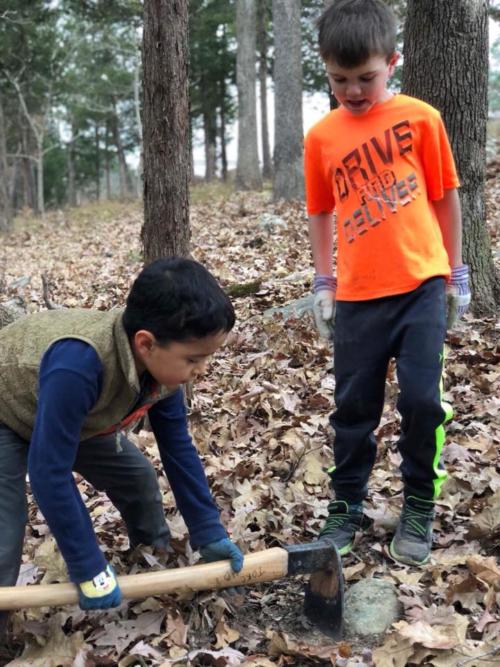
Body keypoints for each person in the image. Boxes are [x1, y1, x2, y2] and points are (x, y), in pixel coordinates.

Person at [304, 0, 471, 566]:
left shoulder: (422, 119)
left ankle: (419, 504)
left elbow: (446, 196)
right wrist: (323, 282)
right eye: (339, 79)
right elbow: (320, 212)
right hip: (356, 297)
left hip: (421, 285)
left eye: (365, 78)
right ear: (325, 70)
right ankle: (346, 506)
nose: (352, 90)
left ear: (392, 62)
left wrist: (457, 272)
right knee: (353, 408)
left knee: (423, 401)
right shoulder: (322, 137)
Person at [0, 257, 244, 632]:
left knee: (138, 479)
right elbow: (49, 472)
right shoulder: (79, 364)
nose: (202, 370)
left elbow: (178, 449)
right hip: (7, 409)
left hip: (69, 417)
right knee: (5, 529)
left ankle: (151, 563)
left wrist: (208, 529)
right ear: (146, 343)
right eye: (194, 358)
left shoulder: (161, 371)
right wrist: (88, 566)